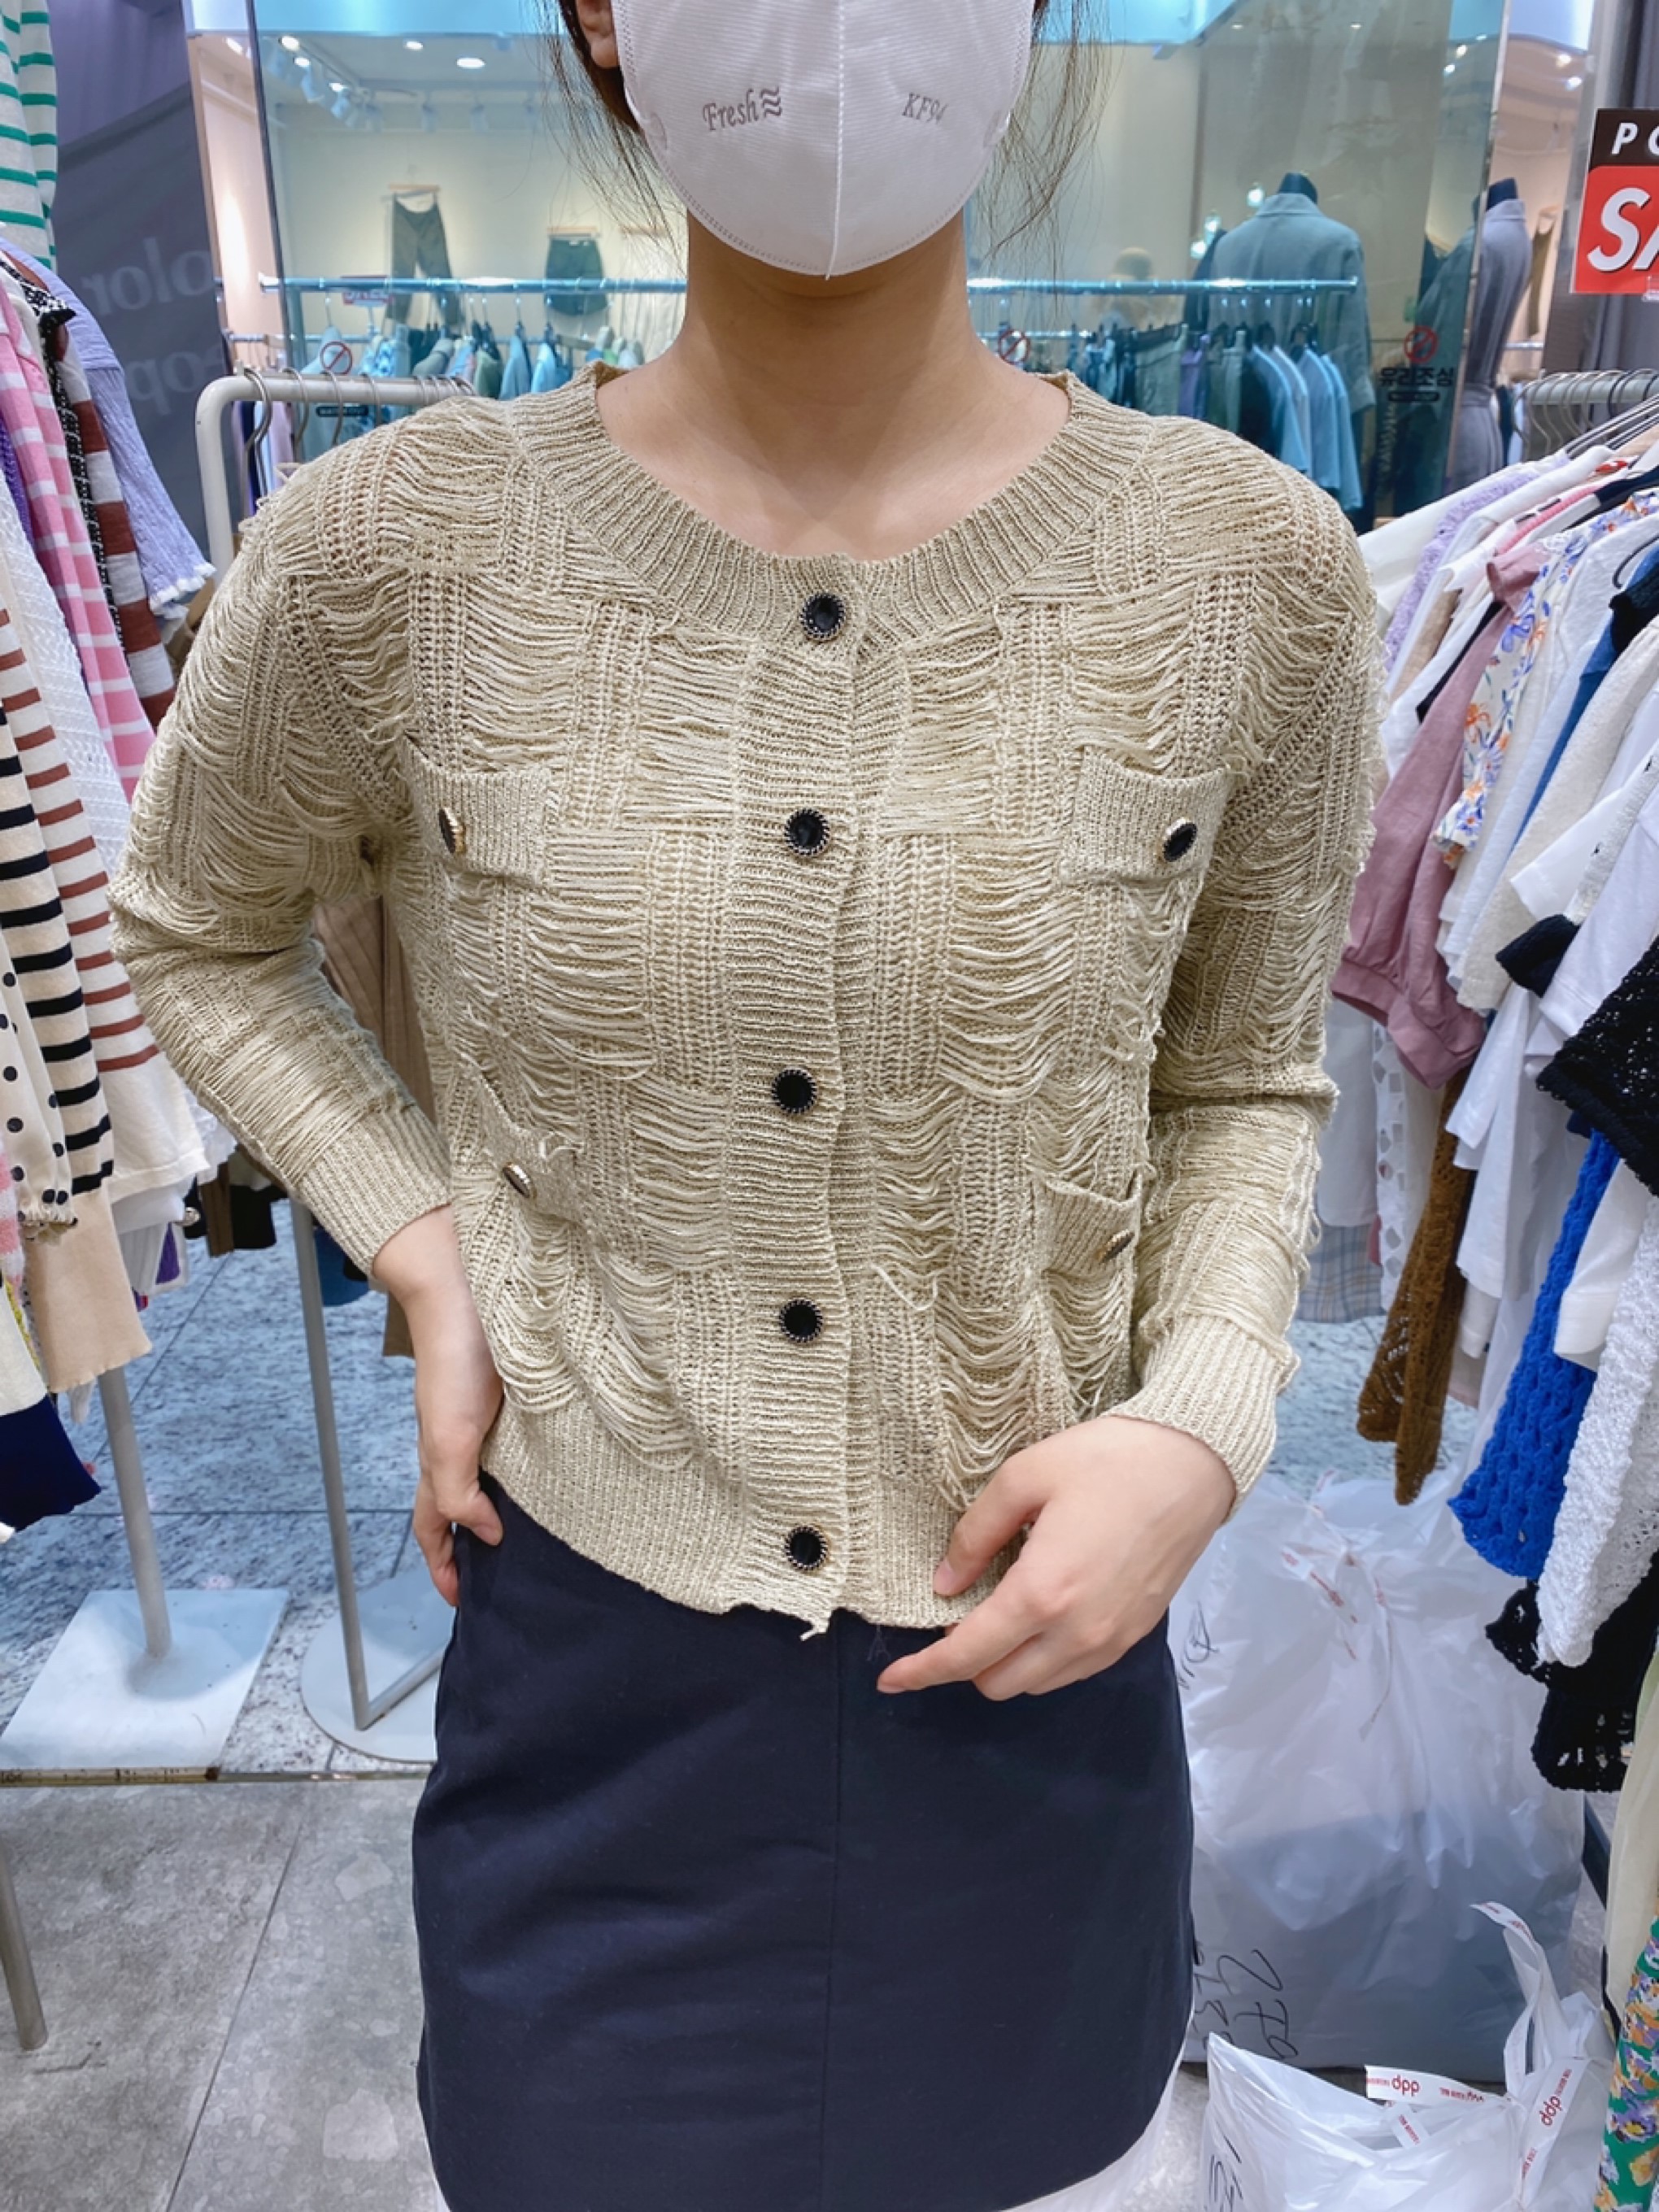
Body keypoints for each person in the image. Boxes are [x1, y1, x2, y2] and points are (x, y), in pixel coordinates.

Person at [108, 2, 1379, 2206]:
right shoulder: (392, 550)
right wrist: (423, 1242)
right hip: (591, 1692)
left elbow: (1245, 1072)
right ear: (602, 17)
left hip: (1033, 1686)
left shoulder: (1247, 570)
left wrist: (1200, 1422)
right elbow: (192, 923)